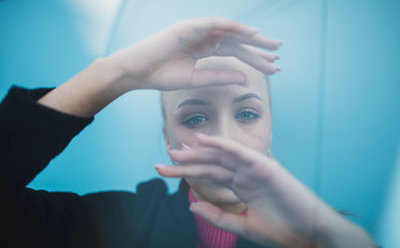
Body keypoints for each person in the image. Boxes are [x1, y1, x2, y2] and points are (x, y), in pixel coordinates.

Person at [0, 16, 376, 248]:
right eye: (195, 118)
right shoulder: (104, 224)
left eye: (247, 113)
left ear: (271, 129)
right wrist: (115, 74)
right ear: (168, 138)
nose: (225, 141)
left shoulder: (327, 237)